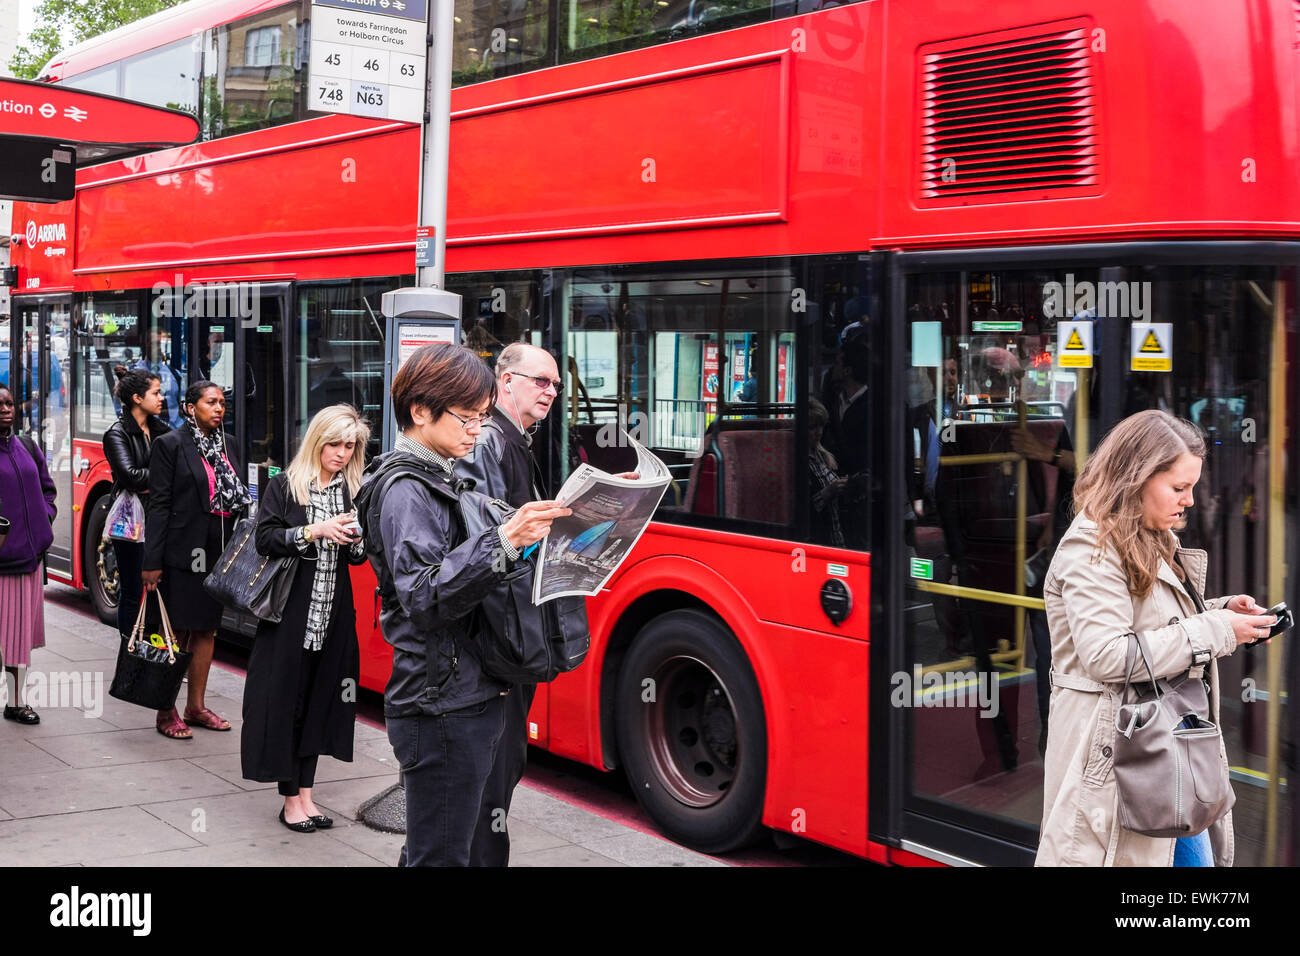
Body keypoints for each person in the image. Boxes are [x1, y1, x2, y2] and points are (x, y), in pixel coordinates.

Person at [355, 343, 569, 866]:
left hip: (462, 689)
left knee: (445, 845)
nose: (478, 430)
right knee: (441, 854)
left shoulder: (443, 473)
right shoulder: (407, 488)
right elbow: (424, 596)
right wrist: (503, 540)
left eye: (482, 416)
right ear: (421, 412)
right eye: (468, 417)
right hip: (440, 700)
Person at [1037, 409, 1275, 867]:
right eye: (1179, 488)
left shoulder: (1147, 535)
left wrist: (1220, 612)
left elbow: (1150, 628)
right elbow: (1109, 655)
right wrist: (1217, 631)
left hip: (1163, 748)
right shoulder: (1092, 548)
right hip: (1116, 756)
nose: (1189, 500)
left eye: (1192, 487)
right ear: (1135, 477)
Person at [242, 405, 370, 832]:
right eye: (334, 443)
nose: (341, 453)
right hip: (289, 618)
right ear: (317, 440)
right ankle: (289, 801)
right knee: (286, 706)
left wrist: (354, 538)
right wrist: (314, 531)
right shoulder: (285, 486)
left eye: (349, 446)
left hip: (332, 618)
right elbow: (264, 540)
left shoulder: (352, 490)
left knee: (320, 705)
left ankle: (309, 796)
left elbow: (357, 557)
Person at [142, 381, 251, 740]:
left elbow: (238, 501)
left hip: (217, 552)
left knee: (205, 629)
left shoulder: (229, 444)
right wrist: (151, 561)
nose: (219, 408)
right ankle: (165, 709)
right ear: (191, 407)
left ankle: (196, 706)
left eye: (222, 403)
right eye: (210, 402)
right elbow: (158, 505)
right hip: (180, 552)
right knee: (174, 632)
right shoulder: (169, 445)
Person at [0, 385, 57, 724]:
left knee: (17, 639)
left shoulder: (26, 445)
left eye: (8, 403)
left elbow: (47, 489)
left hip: (28, 560)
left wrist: (43, 518)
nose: (6, 409)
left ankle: (16, 701)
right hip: (1, 562)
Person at [103, 367, 171, 641]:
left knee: (159, 590)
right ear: (137, 398)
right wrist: (165, 476)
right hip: (131, 524)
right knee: (133, 590)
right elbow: (130, 477)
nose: (161, 398)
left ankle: (153, 649)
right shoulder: (117, 434)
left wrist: (154, 478)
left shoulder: (161, 429)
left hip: (159, 517)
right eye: (155, 393)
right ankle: (130, 648)